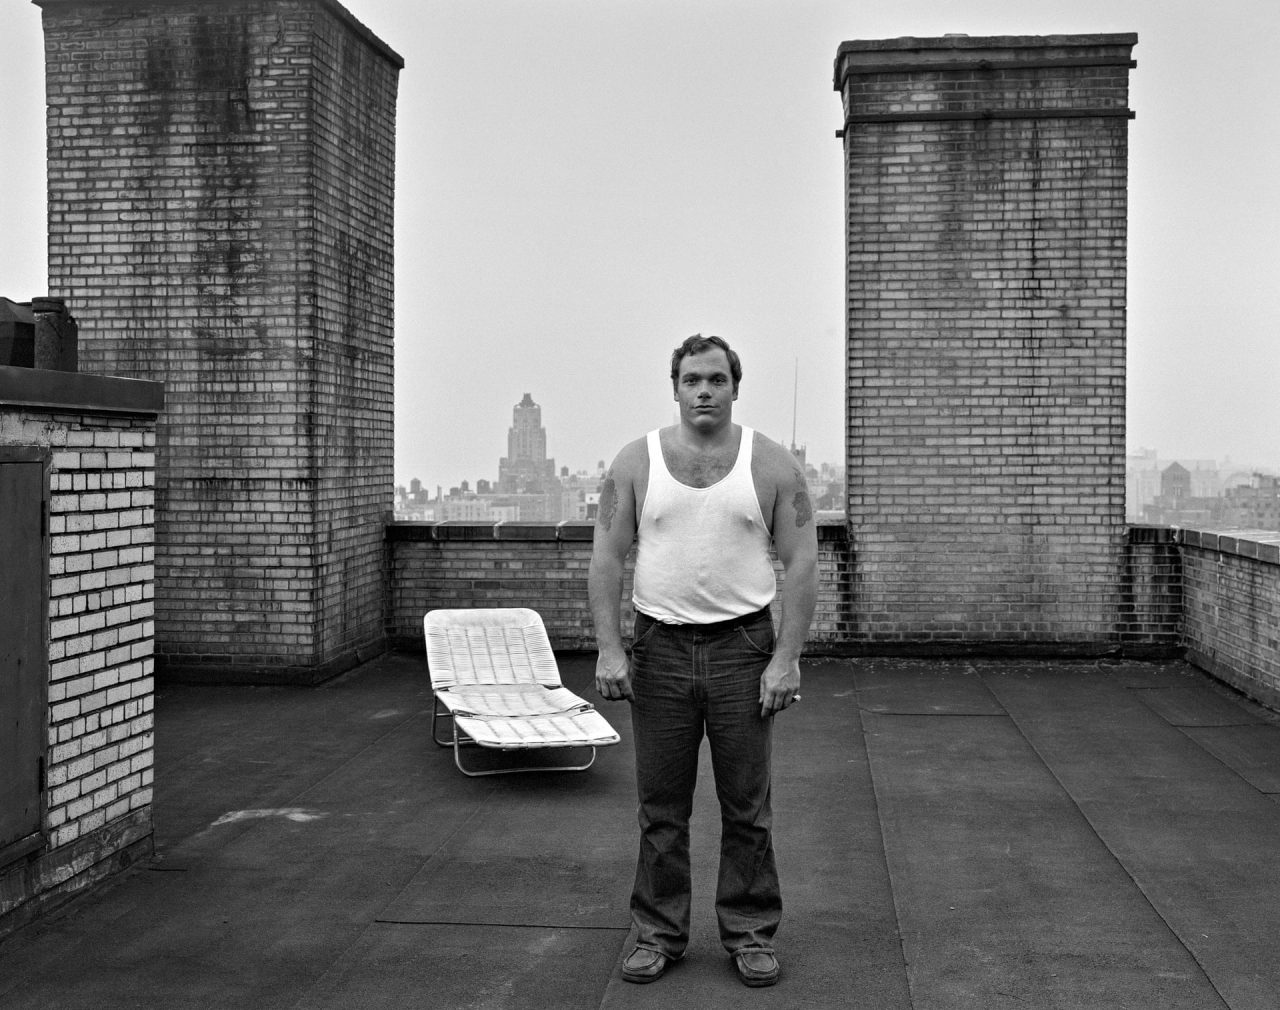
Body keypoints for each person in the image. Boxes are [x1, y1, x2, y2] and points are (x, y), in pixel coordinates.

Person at [588, 333, 818, 988]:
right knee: (661, 805)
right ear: (676, 388)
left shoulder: (770, 464)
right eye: (692, 380)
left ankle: (749, 933)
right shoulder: (636, 462)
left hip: (743, 650)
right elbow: (607, 557)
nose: (705, 391)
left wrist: (787, 657)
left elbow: (802, 561)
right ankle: (659, 932)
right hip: (659, 647)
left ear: (735, 387)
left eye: (716, 379)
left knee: (748, 806)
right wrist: (609, 646)